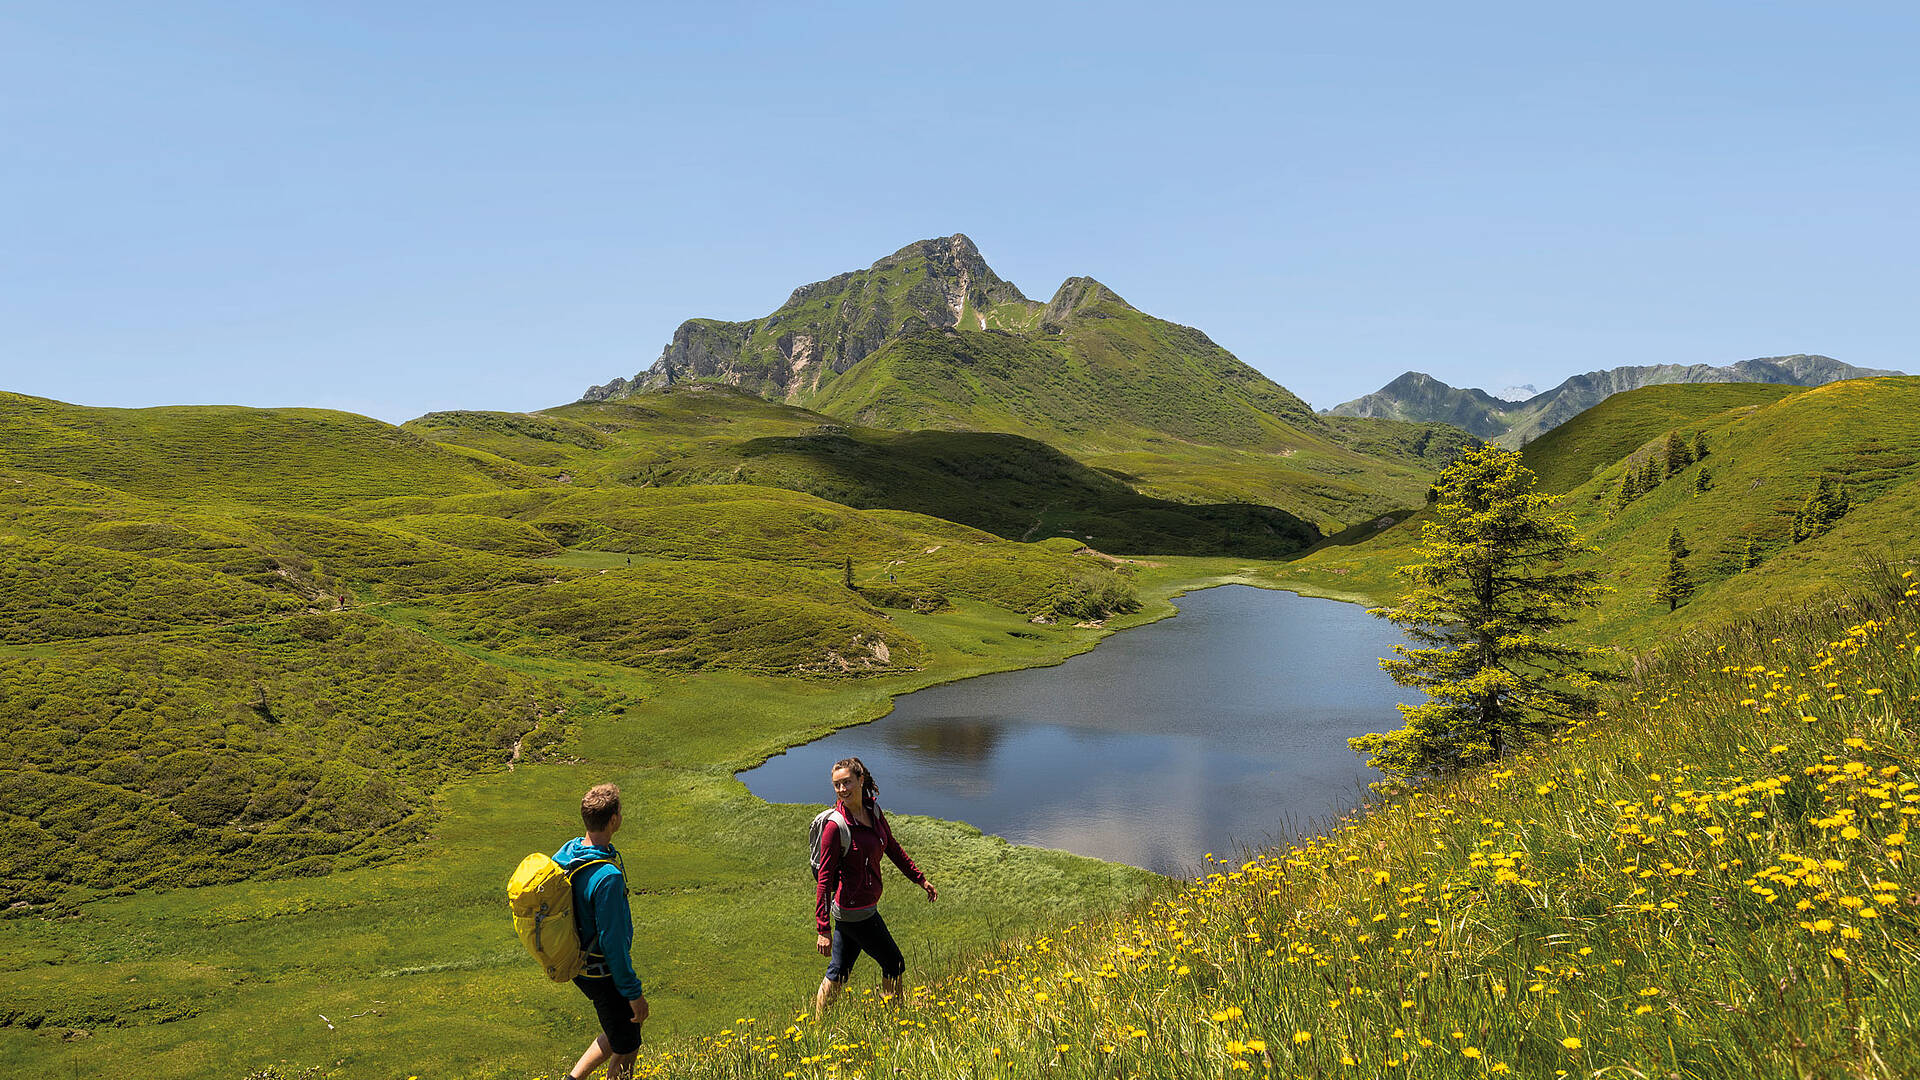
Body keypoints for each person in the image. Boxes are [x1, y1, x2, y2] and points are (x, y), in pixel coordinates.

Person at [813, 756, 937, 1016]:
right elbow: (824, 880)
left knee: (839, 971)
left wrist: (919, 878)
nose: (842, 789)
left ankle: (818, 1025)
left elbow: (891, 847)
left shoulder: (874, 812)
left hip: (861, 909)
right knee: (894, 962)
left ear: (861, 780)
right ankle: (895, 1017)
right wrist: (822, 928)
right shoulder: (836, 827)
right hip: (855, 911)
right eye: (837, 785)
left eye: (847, 782)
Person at [556, 783, 649, 1080]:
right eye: (619, 811)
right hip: (601, 971)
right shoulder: (607, 877)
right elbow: (613, 943)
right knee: (628, 1041)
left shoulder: (570, 852)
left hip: (577, 963)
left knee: (619, 1028)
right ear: (613, 820)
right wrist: (633, 993)